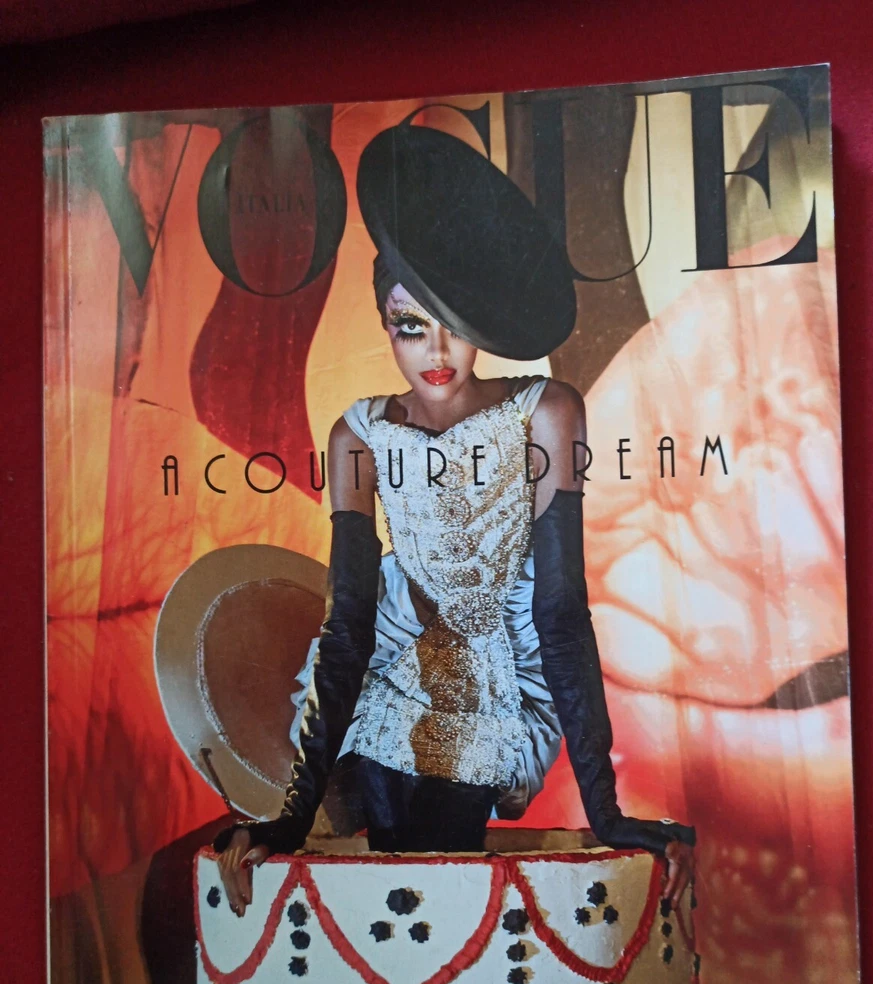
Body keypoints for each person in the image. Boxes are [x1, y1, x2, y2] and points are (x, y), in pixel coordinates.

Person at [213, 120, 695, 914]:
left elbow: (561, 610)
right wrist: (292, 817)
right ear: (384, 324)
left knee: (444, 873)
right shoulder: (358, 436)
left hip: (501, 669)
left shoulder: (546, 412)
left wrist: (607, 810)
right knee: (396, 876)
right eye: (410, 325)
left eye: (453, 325)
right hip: (393, 665)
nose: (435, 351)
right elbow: (347, 621)